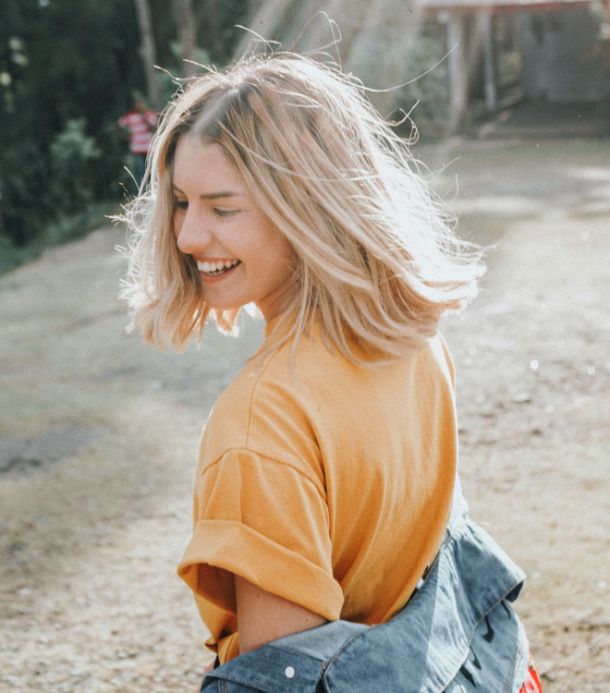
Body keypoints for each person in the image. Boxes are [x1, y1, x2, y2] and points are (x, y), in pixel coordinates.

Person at [121, 54, 542, 691]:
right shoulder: (410, 337)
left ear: (307, 207)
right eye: (181, 202)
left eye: (222, 209)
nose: (186, 236)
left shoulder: (263, 421)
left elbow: (287, 678)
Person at [117, 96, 157, 185]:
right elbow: (119, 125)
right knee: (140, 173)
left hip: (149, 148)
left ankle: (152, 188)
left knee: (151, 171)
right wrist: (125, 137)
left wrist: (145, 117)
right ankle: (142, 190)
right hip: (137, 149)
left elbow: (154, 127)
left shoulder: (150, 114)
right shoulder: (130, 116)